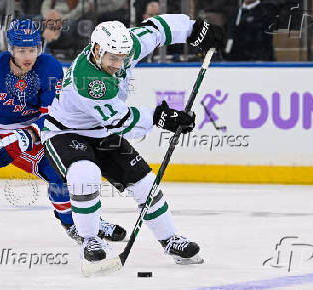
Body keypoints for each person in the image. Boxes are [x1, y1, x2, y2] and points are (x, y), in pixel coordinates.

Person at [41, 15, 225, 266]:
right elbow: (120, 121)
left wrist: (194, 28)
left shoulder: (127, 46)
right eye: (113, 58)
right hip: (65, 133)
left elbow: (156, 29)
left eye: (123, 58)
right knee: (85, 175)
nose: (119, 64)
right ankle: (89, 238)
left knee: (144, 182)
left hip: (102, 132)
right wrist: (162, 118)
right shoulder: (88, 81)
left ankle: (170, 239)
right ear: (96, 50)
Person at [0, 18, 126, 244]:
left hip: (41, 126)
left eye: (33, 49)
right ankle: (73, 225)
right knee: (55, 173)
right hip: (2, 132)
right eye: (22, 50)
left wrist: (28, 135)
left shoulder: (49, 68)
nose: (28, 57)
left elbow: (51, 114)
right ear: (10, 49)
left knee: (78, 168)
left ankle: (89, 220)